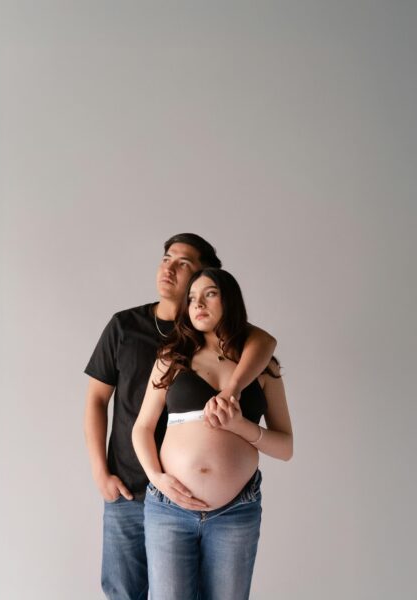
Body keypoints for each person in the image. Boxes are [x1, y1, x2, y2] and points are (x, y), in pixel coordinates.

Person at [84, 234, 277, 600]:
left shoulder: (209, 333)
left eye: (184, 263)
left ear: (208, 278)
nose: (169, 267)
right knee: (124, 592)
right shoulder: (125, 326)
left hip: (202, 498)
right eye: (166, 257)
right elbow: (96, 400)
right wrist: (100, 471)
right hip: (130, 483)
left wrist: (231, 392)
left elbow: (266, 343)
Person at [132, 268, 293, 600]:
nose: (198, 304)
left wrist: (242, 427)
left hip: (236, 512)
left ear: (229, 299)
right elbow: (143, 428)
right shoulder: (172, 357)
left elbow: (285, 446)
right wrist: (156, 478)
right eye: (191, 298)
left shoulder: (264, 367)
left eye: (210, 294)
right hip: (169, 508)